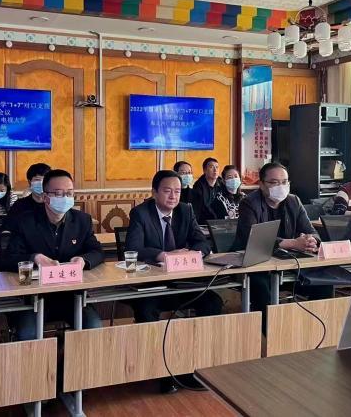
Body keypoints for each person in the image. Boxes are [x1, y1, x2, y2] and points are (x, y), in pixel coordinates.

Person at [125, 169, 223, 393]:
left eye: (177, 191)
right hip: (151, 286)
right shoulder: (140, 213)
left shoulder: (186, 210)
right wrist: (163, 256)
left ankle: (194, 366)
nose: (173, 196)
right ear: (154, 192)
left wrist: (190, 253)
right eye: (167, 191)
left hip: (183, 283)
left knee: (213, 302)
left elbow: (203, 243)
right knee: (146, 309)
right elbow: (133, 249)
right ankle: (160, 372)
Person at [3, 169, 104, 337]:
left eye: (69, 193)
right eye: (58, 193)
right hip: (34, 298)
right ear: (45, 197)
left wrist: (83, 260)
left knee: (93, 327)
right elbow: (8, 259)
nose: (64, 198)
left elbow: (97, 252)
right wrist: (34, 258)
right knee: (27, 334)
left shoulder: (82, 220)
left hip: (72, 296)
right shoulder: (25, 222)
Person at [233, 162, 330, 332]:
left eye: (284, 182)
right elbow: (254, 238)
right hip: (255, 264)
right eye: (274, 182)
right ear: (261, 184)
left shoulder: (293, 201)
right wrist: (294, 243)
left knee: (324, 283)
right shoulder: (249, 203)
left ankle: (314, 331)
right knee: (261, 288)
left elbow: (312, 232)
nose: (281, 187)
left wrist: (310, 240)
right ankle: (271, 336)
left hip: (289, 263)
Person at [190, 157, 223, 224]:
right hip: (205, 222)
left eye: (217, 167)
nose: (215, 170)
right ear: (204, 170)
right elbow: (200, 209)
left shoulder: (221, 183)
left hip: (221, 221)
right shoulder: (198, 187)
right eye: (211, 167)